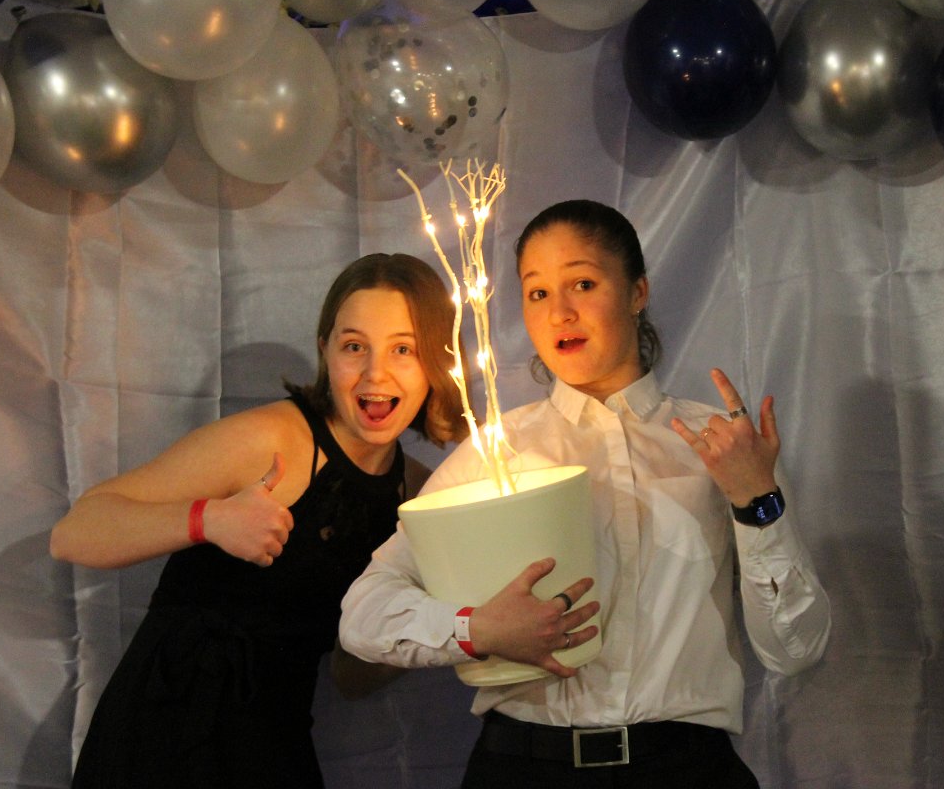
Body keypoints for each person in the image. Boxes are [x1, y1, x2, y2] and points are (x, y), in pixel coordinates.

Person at [339, 200, 831, 787]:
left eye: (583, 284)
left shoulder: (720, 447)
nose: (560, 313)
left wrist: (757, 501)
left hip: (686, 769)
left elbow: (794, 648)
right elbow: (363, 615)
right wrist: (477, 630)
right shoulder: (496, 452)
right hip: (523, 771)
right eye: (538, 293)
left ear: (637, 292)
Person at [50, 253, 467, 789]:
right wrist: (209, 520)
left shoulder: (417, 492)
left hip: (273, 744)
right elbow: (75, 533)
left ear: (436, 361)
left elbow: (351, 676)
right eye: (354, 346)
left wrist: (442, 619)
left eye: (403, 349)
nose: (374, 373)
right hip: (164, 737)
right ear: (325, 351)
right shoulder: (271, 441)